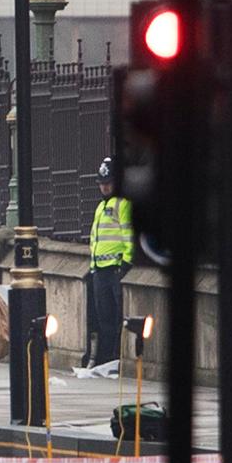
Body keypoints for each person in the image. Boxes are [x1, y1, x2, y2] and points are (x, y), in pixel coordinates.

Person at [87, 157, 134, 367]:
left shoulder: (122, 205)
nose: (104, 187)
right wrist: (92, 267)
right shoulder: (100, 207)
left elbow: (128, 235)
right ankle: (106, 359)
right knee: (103, 317)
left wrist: (125, 263)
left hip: (115, 269)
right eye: (102, 183)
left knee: (116, 318)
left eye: (108, 183)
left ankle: (115, 358)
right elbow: (94, 239)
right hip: (99, 270)